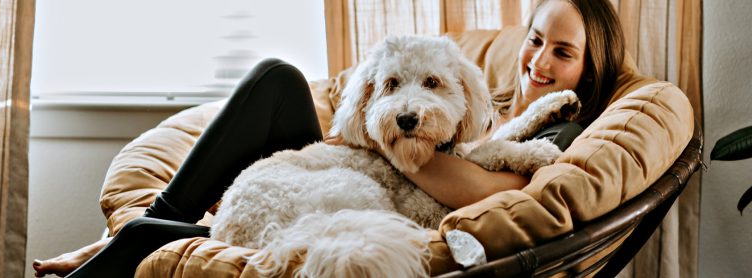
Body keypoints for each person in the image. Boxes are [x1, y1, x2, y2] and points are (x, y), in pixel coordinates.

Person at [32, 0, 626, 276]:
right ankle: (151, 227)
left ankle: (144, 231)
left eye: (562, 51)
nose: (537, 61)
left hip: (378, 182)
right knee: (280, 80)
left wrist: (387, 135)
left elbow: (477, 186)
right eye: (534, 38)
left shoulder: (564, 123)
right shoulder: (487, 96)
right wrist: (359, 131)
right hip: (345, 169)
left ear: (589, 69)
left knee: (274, 83)